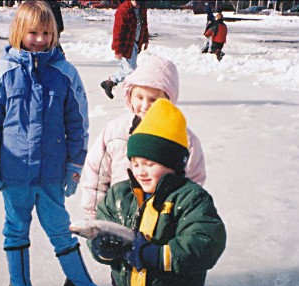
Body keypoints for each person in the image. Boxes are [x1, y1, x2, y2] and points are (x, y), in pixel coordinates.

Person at [0, 0, 109, 286]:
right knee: (16, 227)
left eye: (47, 33)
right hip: (14, 171)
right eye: (33, 32)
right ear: (19, 32)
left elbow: (78, 123)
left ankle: (78, 281)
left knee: (60, 227)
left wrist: (75, 164)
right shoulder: (3, 72)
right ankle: (19, 283)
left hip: (51, 172)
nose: (40, 39)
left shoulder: (64, 72)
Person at [88, 98, 227, 286]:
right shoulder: (120, 194)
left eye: (149, 164)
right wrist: (102, 247)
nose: (140, 171)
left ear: (173, 164)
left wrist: (158, 254)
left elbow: (205, 242)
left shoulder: (191, 200)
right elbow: (103, 221)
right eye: (135, 163)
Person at [81, 54, 206, 220]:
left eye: (153, 100)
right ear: (129, 96)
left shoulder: (183, 139)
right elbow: (96, 173)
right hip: (117, 216)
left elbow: (193, 181)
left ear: (168, 100)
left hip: (161, 222)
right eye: (139, 97)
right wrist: (95, 214)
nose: (145, 106)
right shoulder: (116, 132)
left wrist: (180, 216)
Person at [100, 0, 149, 99]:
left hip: (135, 43)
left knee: (127, 69)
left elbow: (144, 25)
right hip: (126, 45)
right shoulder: (123, 10)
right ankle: (134, 95)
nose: (138, 4)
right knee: (131, 71)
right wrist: (117, 49)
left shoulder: (141, 8)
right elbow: (117, 31)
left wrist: (145, 39)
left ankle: (109, 82)